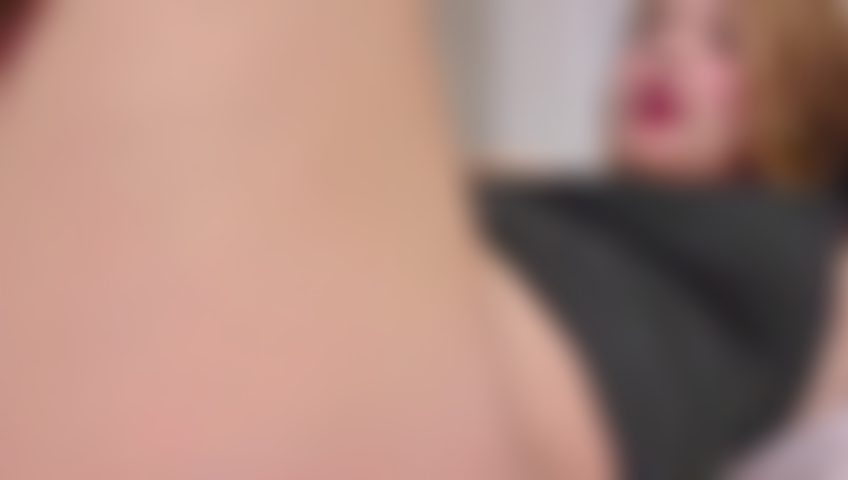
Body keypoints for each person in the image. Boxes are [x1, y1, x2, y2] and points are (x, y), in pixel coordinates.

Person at [0, 1, 844, 480]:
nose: (664, 59)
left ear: (801, 81)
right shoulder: (564, 206)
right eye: (648, 33)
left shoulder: (787, 254)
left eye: (722, 44)